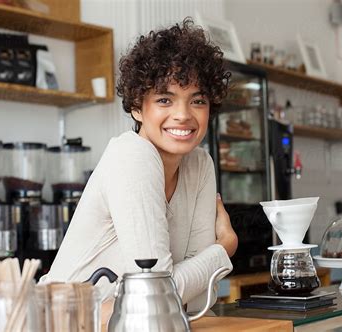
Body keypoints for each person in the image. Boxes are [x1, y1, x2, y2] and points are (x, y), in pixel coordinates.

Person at [41, 18, 238, 315]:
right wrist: (224, 247)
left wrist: (180, 284)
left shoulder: (200, 164)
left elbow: (196, 300)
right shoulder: (132, 156)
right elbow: (157, 297)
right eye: (164, 99)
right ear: (136, 106)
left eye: (197, 101)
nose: (183, 115)